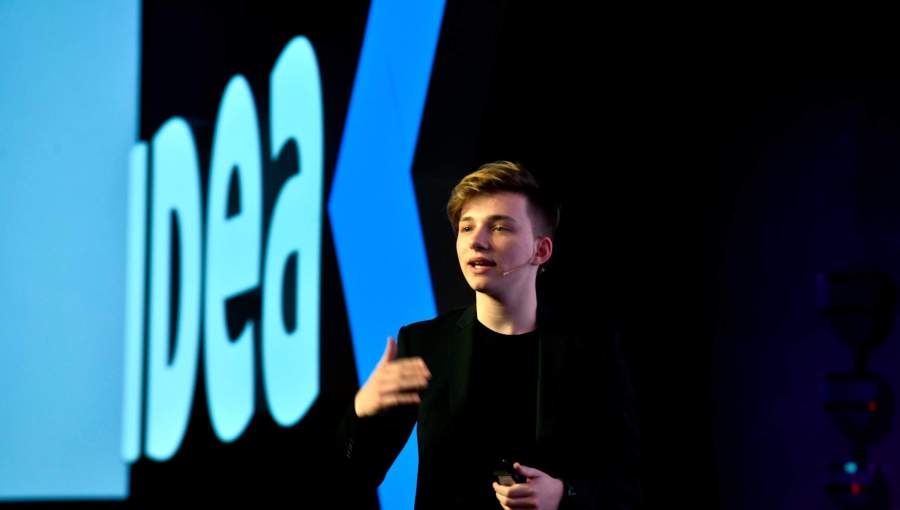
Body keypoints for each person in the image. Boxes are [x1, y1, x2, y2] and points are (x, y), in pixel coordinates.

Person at [337, 161, 641, 509]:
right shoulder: (425, 345)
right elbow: (350, 478)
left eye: (499, 227)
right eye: (466, 227)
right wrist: (362, 413)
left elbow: (629, 487)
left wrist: (562, 494)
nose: (476, 241)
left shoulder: (591, 350)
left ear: (541, 250)